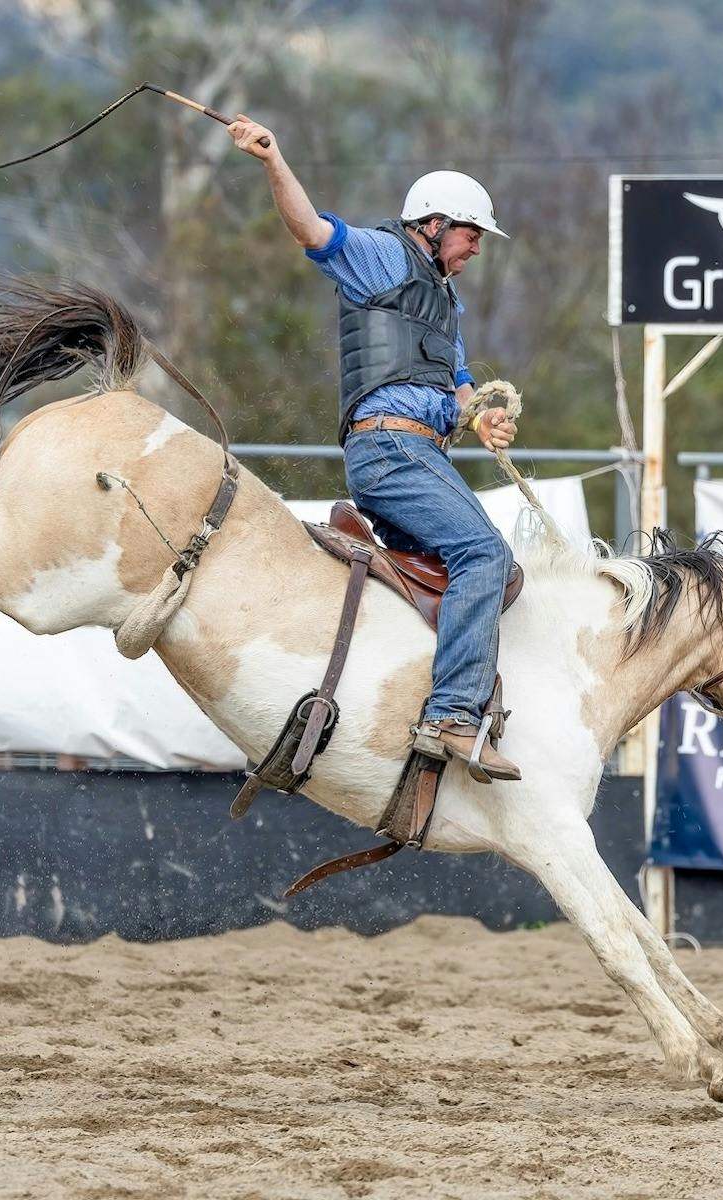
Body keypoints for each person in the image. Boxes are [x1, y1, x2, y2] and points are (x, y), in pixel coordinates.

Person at [228, 114, 521, 781]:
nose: (477, 249)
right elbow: (310, 228)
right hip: (392, 453)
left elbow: (463, 385)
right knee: (483, 553)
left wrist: (481, 420)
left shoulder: (449, 303)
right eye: (473, 234)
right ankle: (453, 715)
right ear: (438, 223)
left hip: (418, 454)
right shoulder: (382, 255)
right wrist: (273, 158)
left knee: (462, 567)